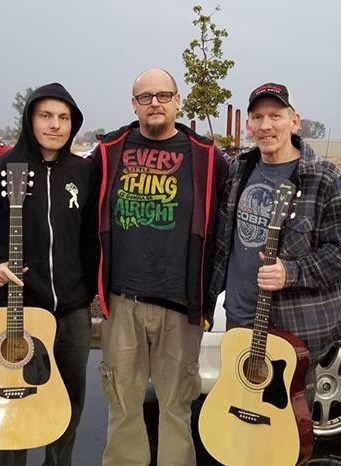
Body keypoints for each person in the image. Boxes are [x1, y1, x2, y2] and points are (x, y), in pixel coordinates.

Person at [90, 68, 228, 466]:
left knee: (175, 408)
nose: (155, 103)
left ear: (178, 101)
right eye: (145, 96)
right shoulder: (108, 152)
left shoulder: (206, 157)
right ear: (133, 104)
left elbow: (228, 221)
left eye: (163, 95)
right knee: (123, 406)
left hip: (180, 307)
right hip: (122, 302)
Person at [0, 83, 97, 466]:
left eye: (64, 118)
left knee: (67, 405)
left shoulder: (84, 172)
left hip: (72, 313)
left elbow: (92, 237)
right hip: (17, 314)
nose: (55, 125)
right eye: (46, 116)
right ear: (30, 119)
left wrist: (91, 289)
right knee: (13, 406)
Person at [208, 82, 341, 408]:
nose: (266, 125)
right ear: (249, 125)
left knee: (286, 423)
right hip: (240, 318)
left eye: (275, 116)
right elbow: (224, 242)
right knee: (238, 412)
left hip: (293, 328)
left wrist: (291, 272)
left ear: (294, 121)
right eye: (258, 117)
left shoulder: (325, 178)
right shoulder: (240, 169)